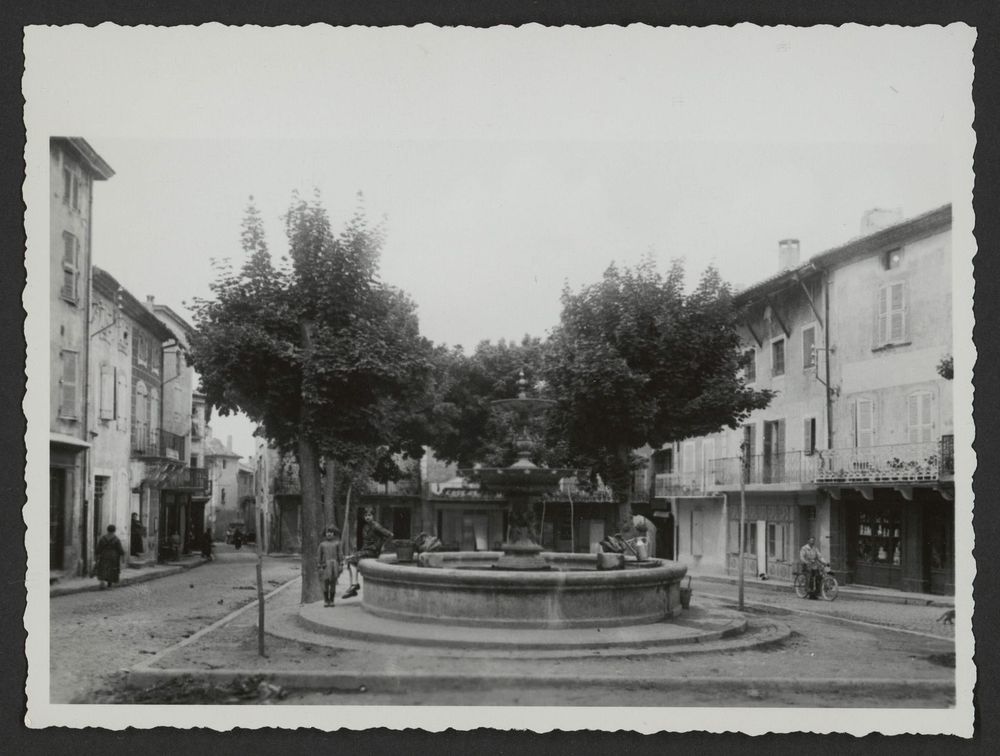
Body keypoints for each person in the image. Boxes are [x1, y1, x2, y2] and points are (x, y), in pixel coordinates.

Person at [342, 508, 393, 599]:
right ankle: (354, 585)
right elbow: (366, 542)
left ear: (373, 516)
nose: (367, 517)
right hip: (366, 550)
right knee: (350, 561)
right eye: (366, 515)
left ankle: (354, 585)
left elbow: (390, 535)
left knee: (351, 560)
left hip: (373, 551)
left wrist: (382, 546)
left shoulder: (376, 526)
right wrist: (359, 552)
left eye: (369, 515)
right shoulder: (365, 527)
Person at [317, 526, 344, 607]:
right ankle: (326, 600)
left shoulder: (337, 543)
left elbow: (340, 554)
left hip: (334, 565)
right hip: (325, 565)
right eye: (327, 532)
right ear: (325, 534)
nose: (329, 534)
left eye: (330, 532)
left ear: (333, 533)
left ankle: (332, 600)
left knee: (332, 583)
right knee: (325, 583)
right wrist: (319, 565)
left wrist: (341, 564)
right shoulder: (322, 544)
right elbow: (319, 555)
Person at [94, 524, 125, 589]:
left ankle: (102, 582)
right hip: (113, 556)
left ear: (107, 530)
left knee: (103, 568)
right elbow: (120, 549)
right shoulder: (116, 539)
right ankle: (109, 583)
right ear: (114, 530)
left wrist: (97, 554)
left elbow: (99, 548)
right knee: (112, 569)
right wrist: (122, 554)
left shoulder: (103, 538)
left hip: (104, 554)